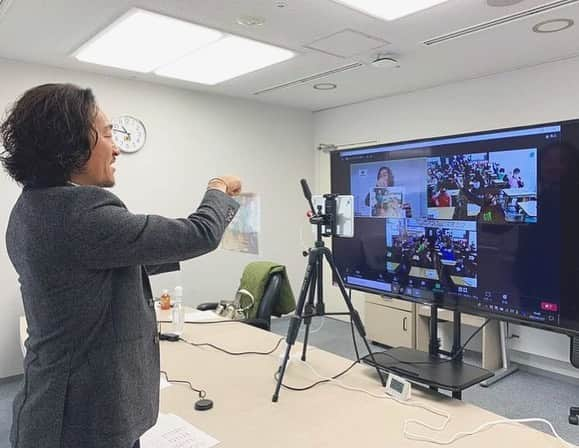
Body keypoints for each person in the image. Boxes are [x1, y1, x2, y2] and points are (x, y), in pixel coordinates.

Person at [0, 84, 242, 448]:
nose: (116, 148)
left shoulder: (33, 207)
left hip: (56, 405)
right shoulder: (80, 213)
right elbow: (200, 233)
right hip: (84, 419)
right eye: (109, 134)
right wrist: (218, 188)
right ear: (71, 142)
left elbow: (95, 263)